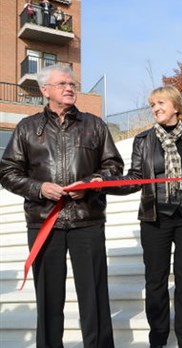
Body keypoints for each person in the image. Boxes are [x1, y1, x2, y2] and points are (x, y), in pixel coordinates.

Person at [0, 64, 123, 347]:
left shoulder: (95, 125)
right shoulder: (27, 128)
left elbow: (114, 168)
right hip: (44, 222)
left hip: (87, 221)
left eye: (73, 84)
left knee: (94, 298)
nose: (70, 88)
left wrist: (91, 182)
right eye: (63, 84)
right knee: (48, 299)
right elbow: (7, 172)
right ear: (45, 90)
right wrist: (39, 188)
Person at [104, 86, 182, 348]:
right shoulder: (143, 140)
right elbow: (135, 179)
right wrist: (105, 184)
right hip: (155, 218)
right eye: (152, 105)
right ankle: (157, 339)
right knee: (155, 281)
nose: (155, 108)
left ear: (176, 106)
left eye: (160, 103)